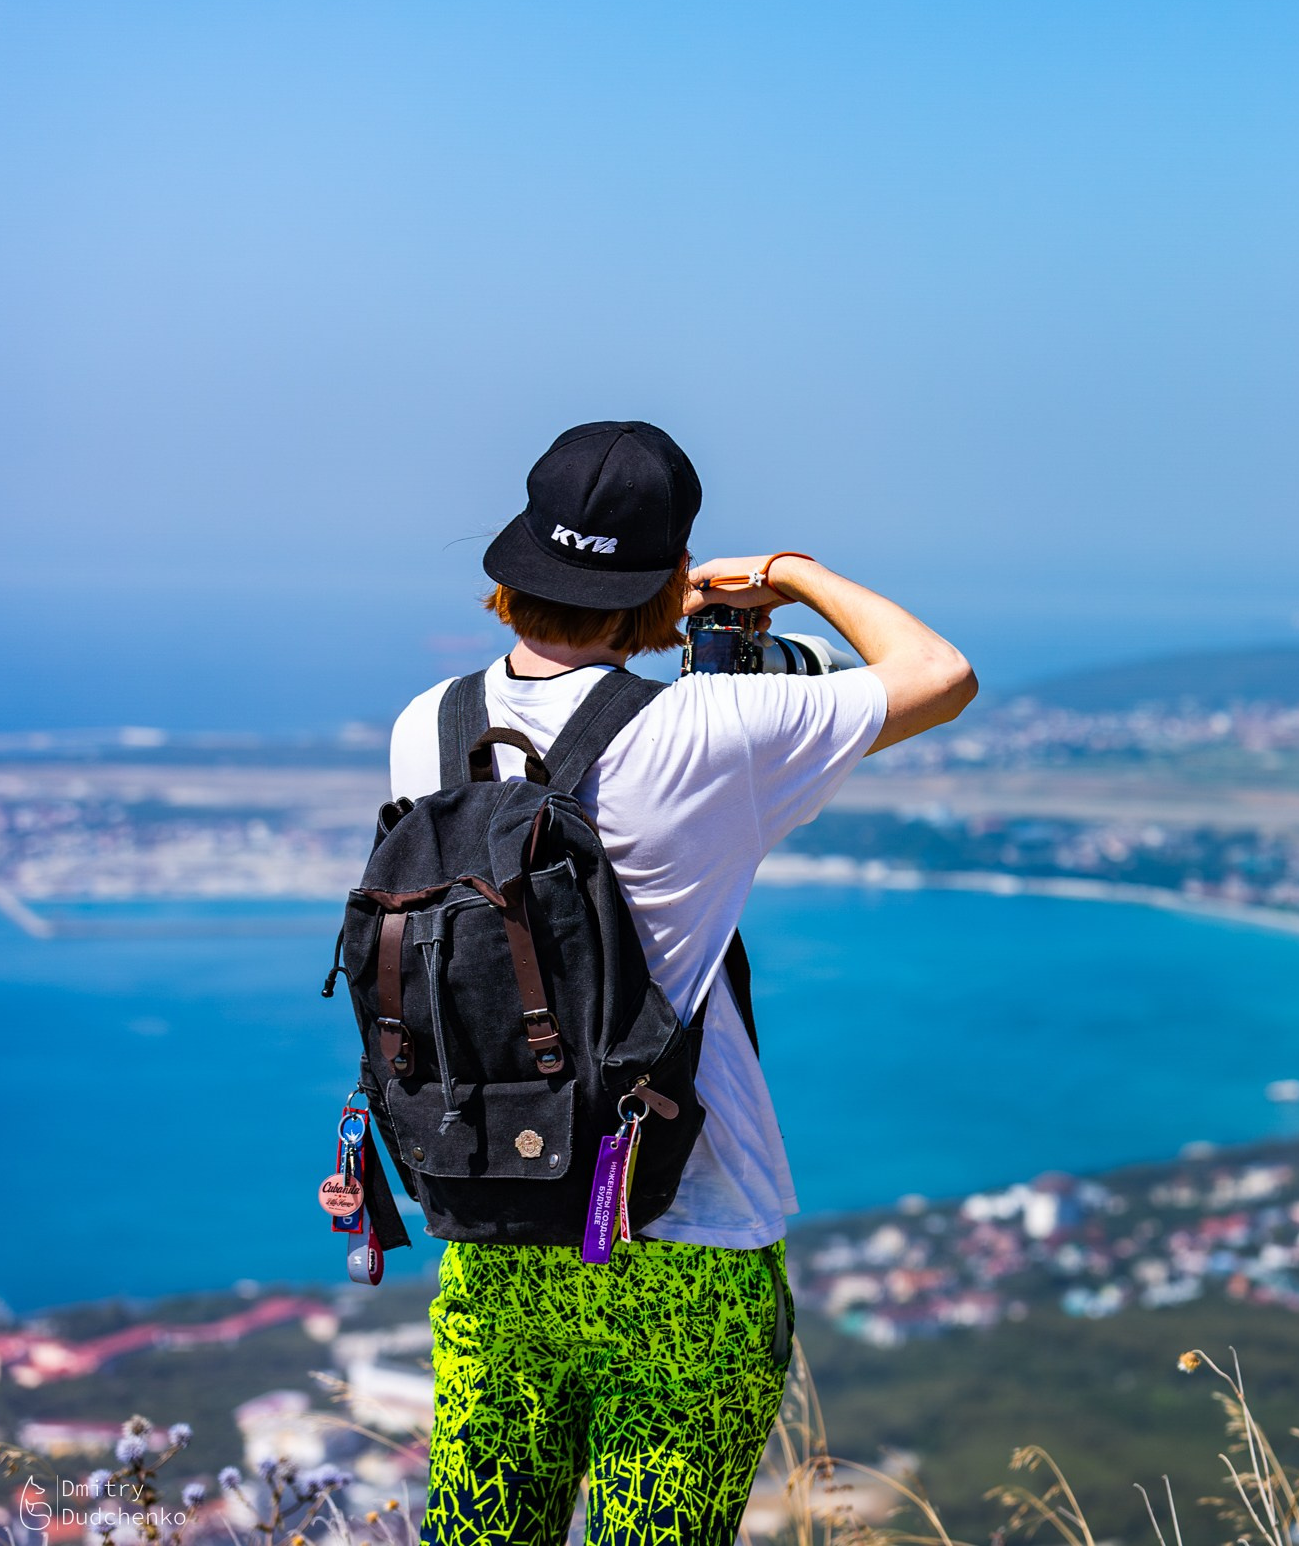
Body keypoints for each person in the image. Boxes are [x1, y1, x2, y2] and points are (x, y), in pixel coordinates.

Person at [386, 421, 975, 1546]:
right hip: (687, 1233)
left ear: (514, 569)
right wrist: (790, 577)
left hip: (496, 1224)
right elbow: (939, 675)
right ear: (666, 578)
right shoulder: (712, 730)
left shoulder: (432, 724)